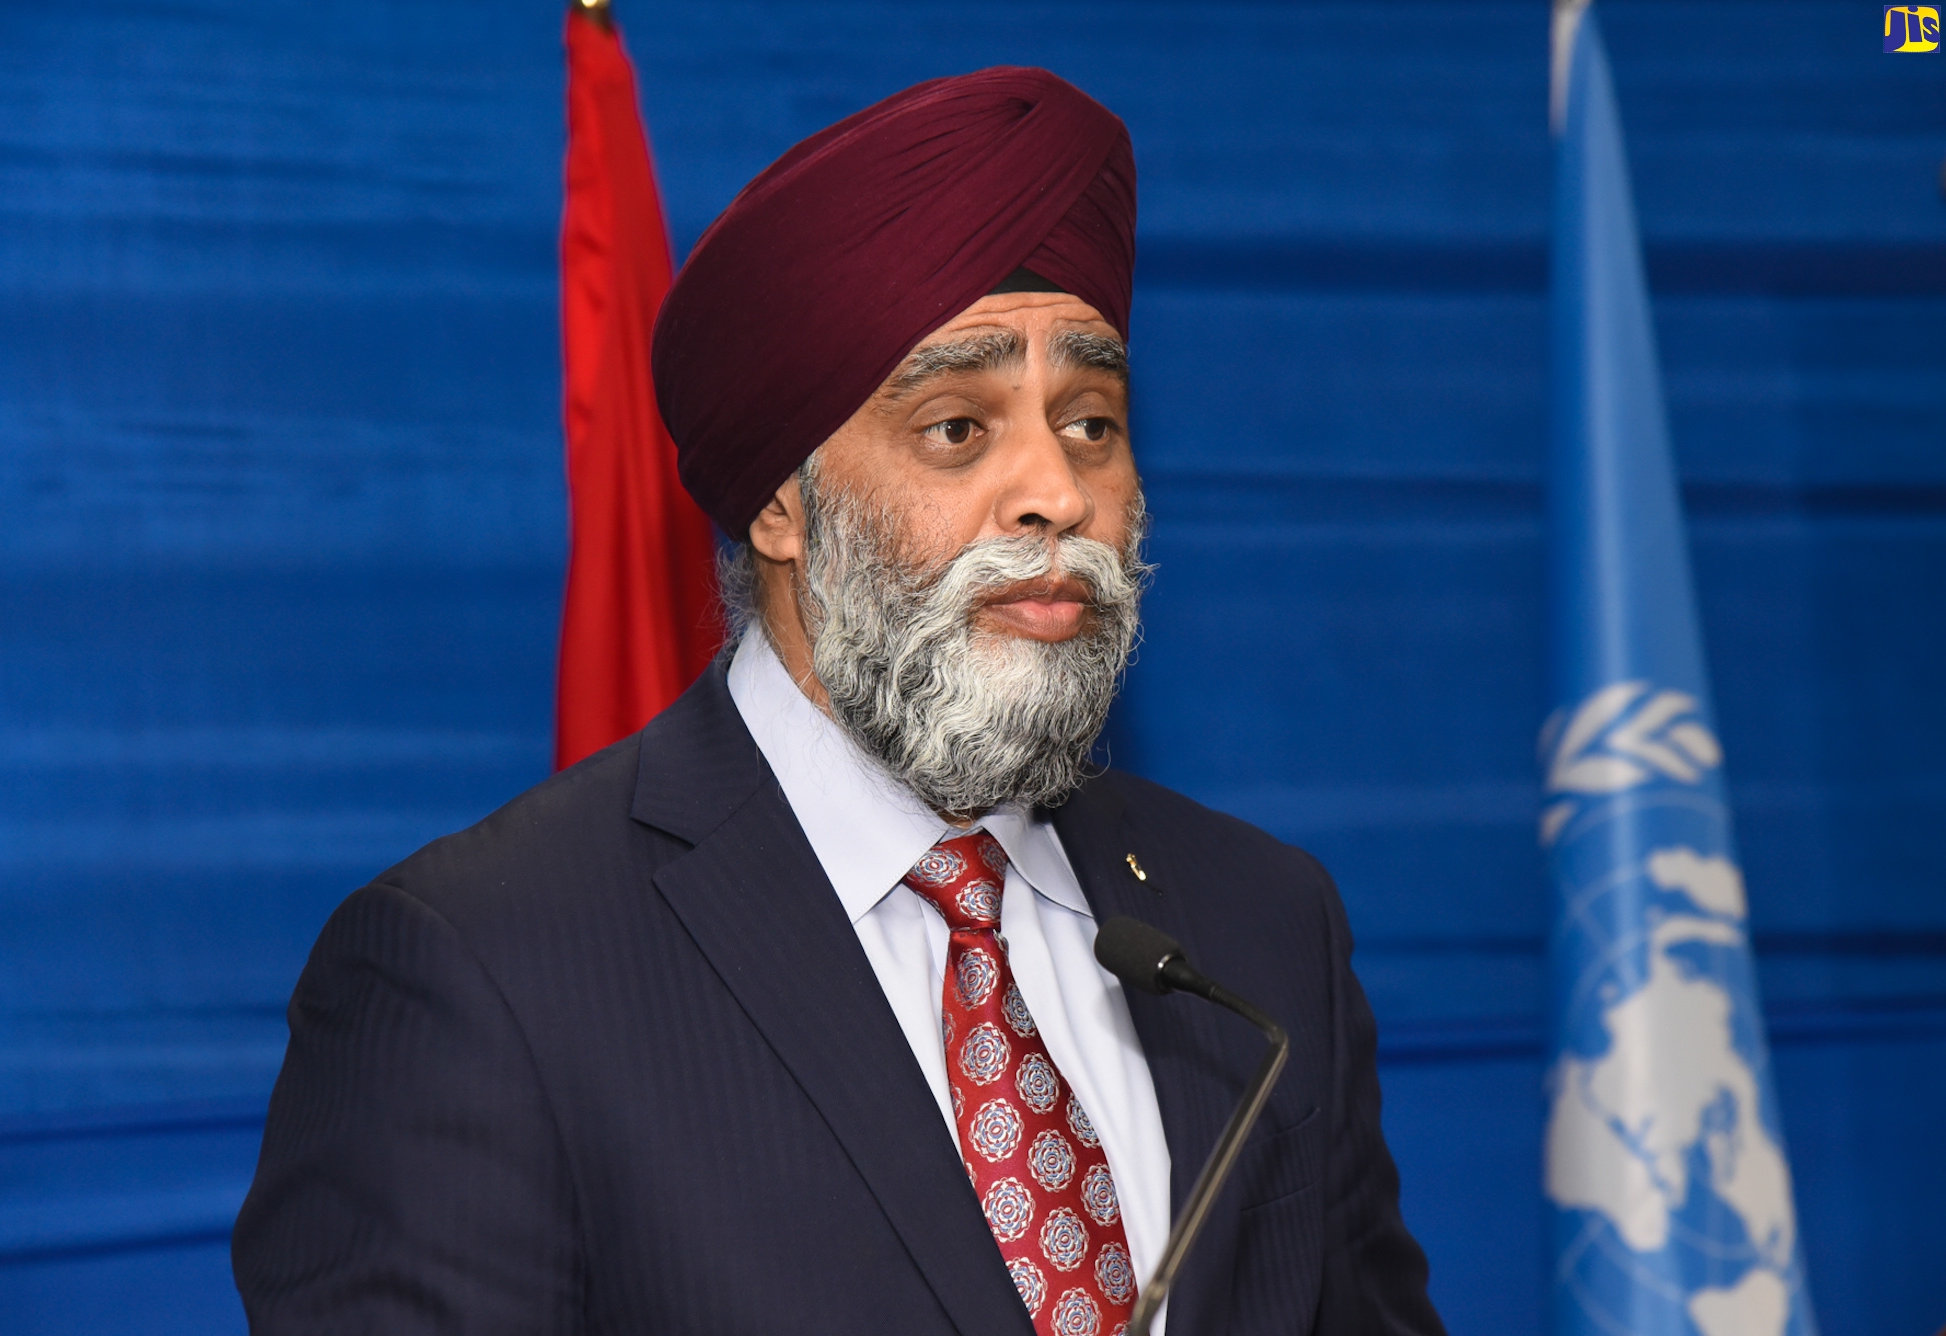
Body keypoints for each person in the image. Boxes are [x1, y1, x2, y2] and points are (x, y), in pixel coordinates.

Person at [233, 67, 1445, 1336]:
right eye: (957, 430)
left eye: (1089, 421)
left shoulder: (1257, 926)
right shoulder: (480, 970)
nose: (1055, 491)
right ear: (779, 503)